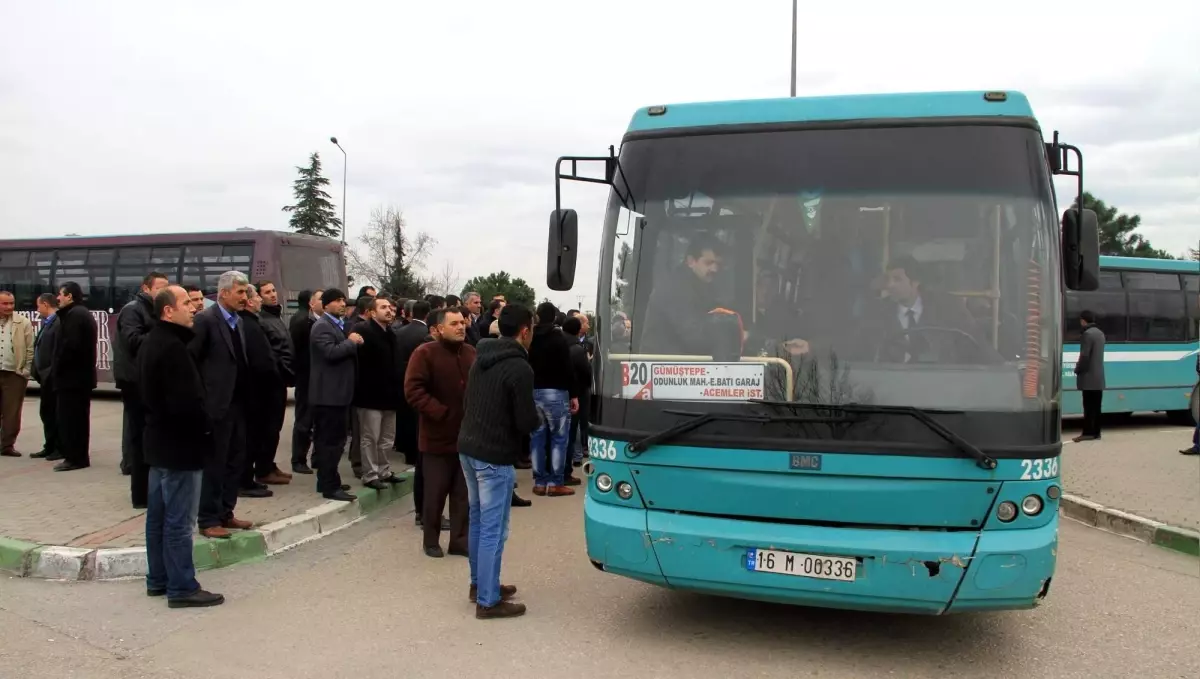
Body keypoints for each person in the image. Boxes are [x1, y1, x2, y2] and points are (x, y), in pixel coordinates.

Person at [139, 285, 224, 608]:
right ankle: (181, 586)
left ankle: (158, 578)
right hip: (180, 448)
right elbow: (185, 403)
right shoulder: (172, 347)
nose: (194, 308)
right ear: (167, 311)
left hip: (159, 444)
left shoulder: (154, 341)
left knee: (158, 517)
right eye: (186, 303)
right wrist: (205, 430)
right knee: (179, 521)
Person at [458, 304, 540, 619]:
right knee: (493, 527)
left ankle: (479, 585)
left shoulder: (482, 357)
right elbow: (524, 420)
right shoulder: (520, 368)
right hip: (493, 454)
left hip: (469, 446)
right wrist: (538, 420)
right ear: (525, 330)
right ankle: (488, 600)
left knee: (479, 520)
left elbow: (470, 401)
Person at [404, 307, 475, 558]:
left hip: (465, 439)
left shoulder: (470, 353)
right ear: (439, 329)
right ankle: (430, 540)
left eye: (462, 323)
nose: (460, 327)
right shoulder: (425, 353)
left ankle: (459, 540)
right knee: (435, 493)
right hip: (436, 438)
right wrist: (440, 412)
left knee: (462, 495)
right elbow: (413, 391)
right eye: (454, 323)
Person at [189, 271, 254, 538]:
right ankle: (208, 519)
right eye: (240, 292)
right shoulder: (205, 320)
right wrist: (202, 399)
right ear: (223, 293)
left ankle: (226, 513)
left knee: (235, 461)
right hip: (216, 405)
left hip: (238, 403)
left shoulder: (238, 322)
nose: (245, 297)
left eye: (246, 292)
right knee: (214, 464)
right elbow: (192, 361)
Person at [112, 271, 169, 506]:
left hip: (148, 379)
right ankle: (140, 494)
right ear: (146, 288)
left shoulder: (154, 309)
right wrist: (164, 332)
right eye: (160, 287)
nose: (165, 291)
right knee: (139, 436)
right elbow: (133, 340)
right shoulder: (133, 310)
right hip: (134, 380)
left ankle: (151, 489)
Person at [308, 288, 363, 501]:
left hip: (338, 394)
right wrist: (351, 342)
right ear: (327, 304)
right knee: (329, 442)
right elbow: (330, 353)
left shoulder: (336, 325)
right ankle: (330, 486)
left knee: (335, 441)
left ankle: (329, 480)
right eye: (338, 301)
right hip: (328, 396)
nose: (343, 304)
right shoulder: (322, 326)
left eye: (343, 300)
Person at [354, 296, 406, 489]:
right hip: (370, 395)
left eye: (391, 308)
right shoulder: (363, 330)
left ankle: (384, 471)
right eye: (383, 307)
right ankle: (370, 475)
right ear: (372, 312)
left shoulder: (391, 333)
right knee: (370, 437)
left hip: (390, 396)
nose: (389, 311)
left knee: (386, 439)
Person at [527, 302, 579, 496]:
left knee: (537, 438)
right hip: (557, 392)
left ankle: (539, 482)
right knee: (558, 438)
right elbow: (568, 367)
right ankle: (556, 482)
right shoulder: (558, 338)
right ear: (555, 317)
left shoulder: (530, 337)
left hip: (534, 391)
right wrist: (573, 394)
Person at [50, 281, 97, 472]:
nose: (58, 298)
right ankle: (78, 456)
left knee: (71, 420)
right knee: (76, 419)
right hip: (77, 379)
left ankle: (74, 458)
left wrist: (57, 368)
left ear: (69, 296)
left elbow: (70, 347)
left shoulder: (75, 315)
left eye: (60, 294)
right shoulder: (78, 314)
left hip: (72, 380)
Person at [0, 290, 34, 458]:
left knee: (12, 412)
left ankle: (7, 445)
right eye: (5, 303)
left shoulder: (23, 323)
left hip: (14, 374)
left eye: (11, 303)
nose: (9, 307)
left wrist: (26, 370)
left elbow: (30, 349)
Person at [29, 293, 61, 460]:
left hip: (51, 377)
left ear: (46, 304)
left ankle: (57, 447)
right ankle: (49, 446)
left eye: (38, 306)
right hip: (45, 376)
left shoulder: (57, 323)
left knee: (52, 413)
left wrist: (48, 371)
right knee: (46, 413)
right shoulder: (48, 323)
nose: (37, 309)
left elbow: (56, 351)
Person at [1073, 309, 1106, 443]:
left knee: (1088, 406)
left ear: (1083, 320)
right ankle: (1096, 432)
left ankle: (1087, 432)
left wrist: (1078, 369)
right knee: (1097, 406)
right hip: (1098, 377)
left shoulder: (1087, 334)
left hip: (1088, 377)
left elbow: (1085, 356)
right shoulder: (1100, 333)